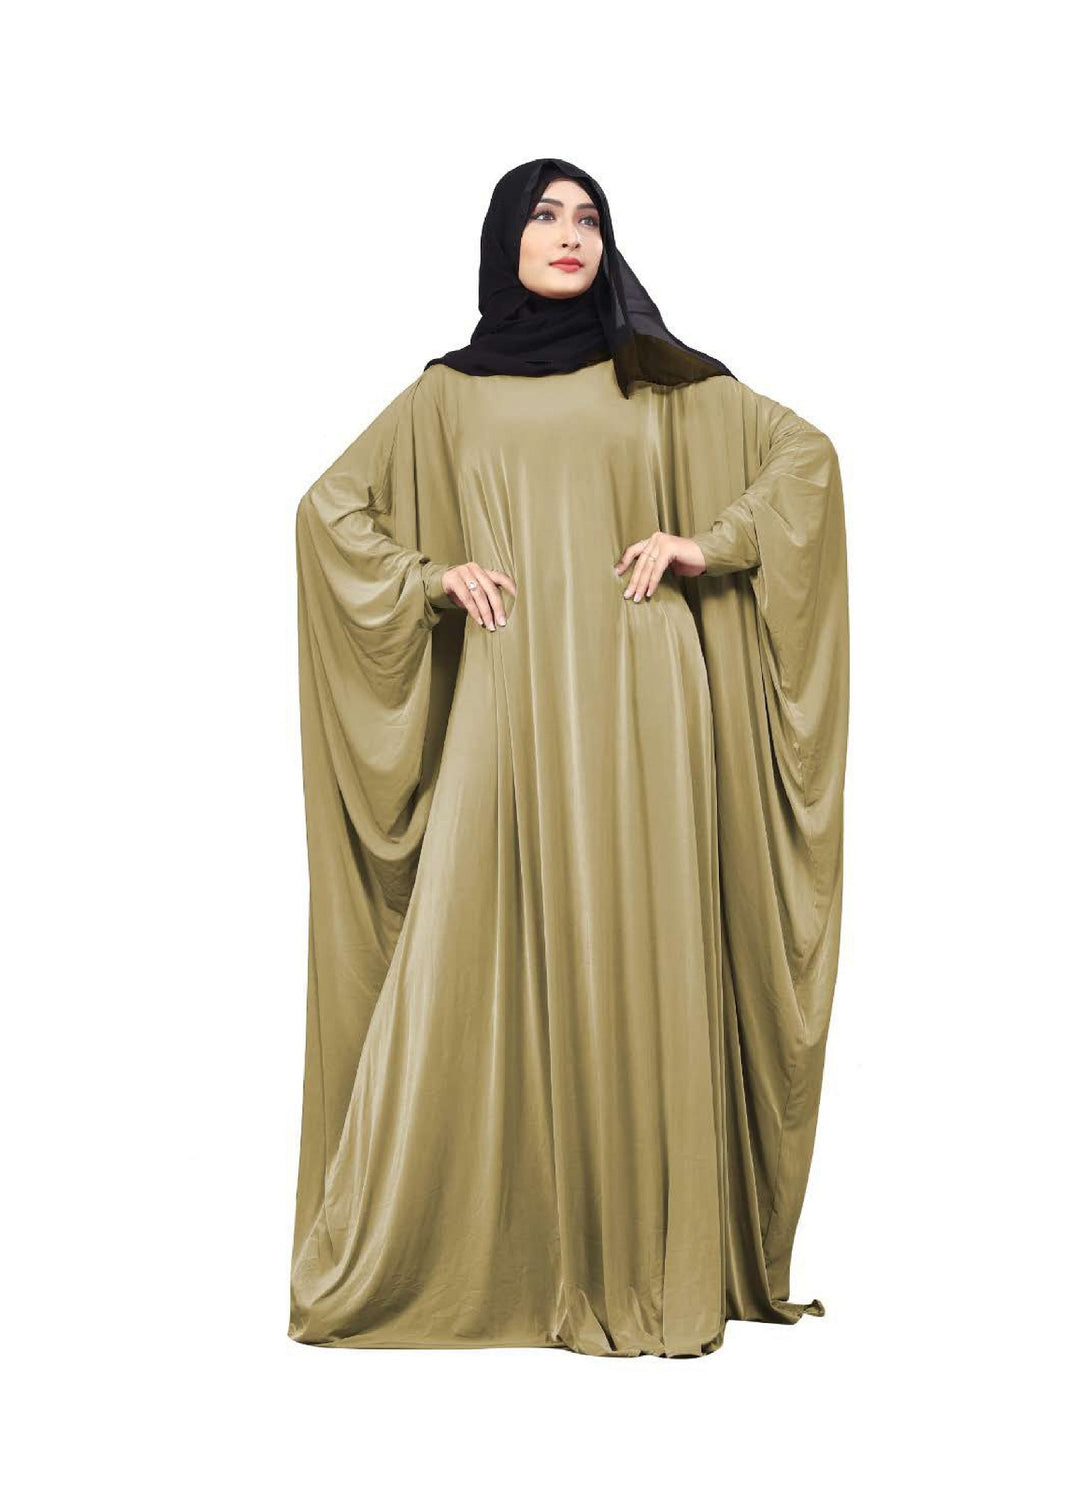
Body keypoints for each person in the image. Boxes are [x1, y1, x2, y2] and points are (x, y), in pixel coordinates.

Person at [288, 157, 849, 1358]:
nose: (570, 234)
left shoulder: (655, 377)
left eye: (589, 217)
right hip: (510, 689)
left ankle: (647, 1262)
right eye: (545, 215)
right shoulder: (448, 394)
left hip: (645, 690)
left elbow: (803, 457)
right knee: (467, 951)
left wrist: (707, 543)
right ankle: (488, 1255)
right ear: (505, 236)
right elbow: (329, 509)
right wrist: (430, 577)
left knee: (640, 940)